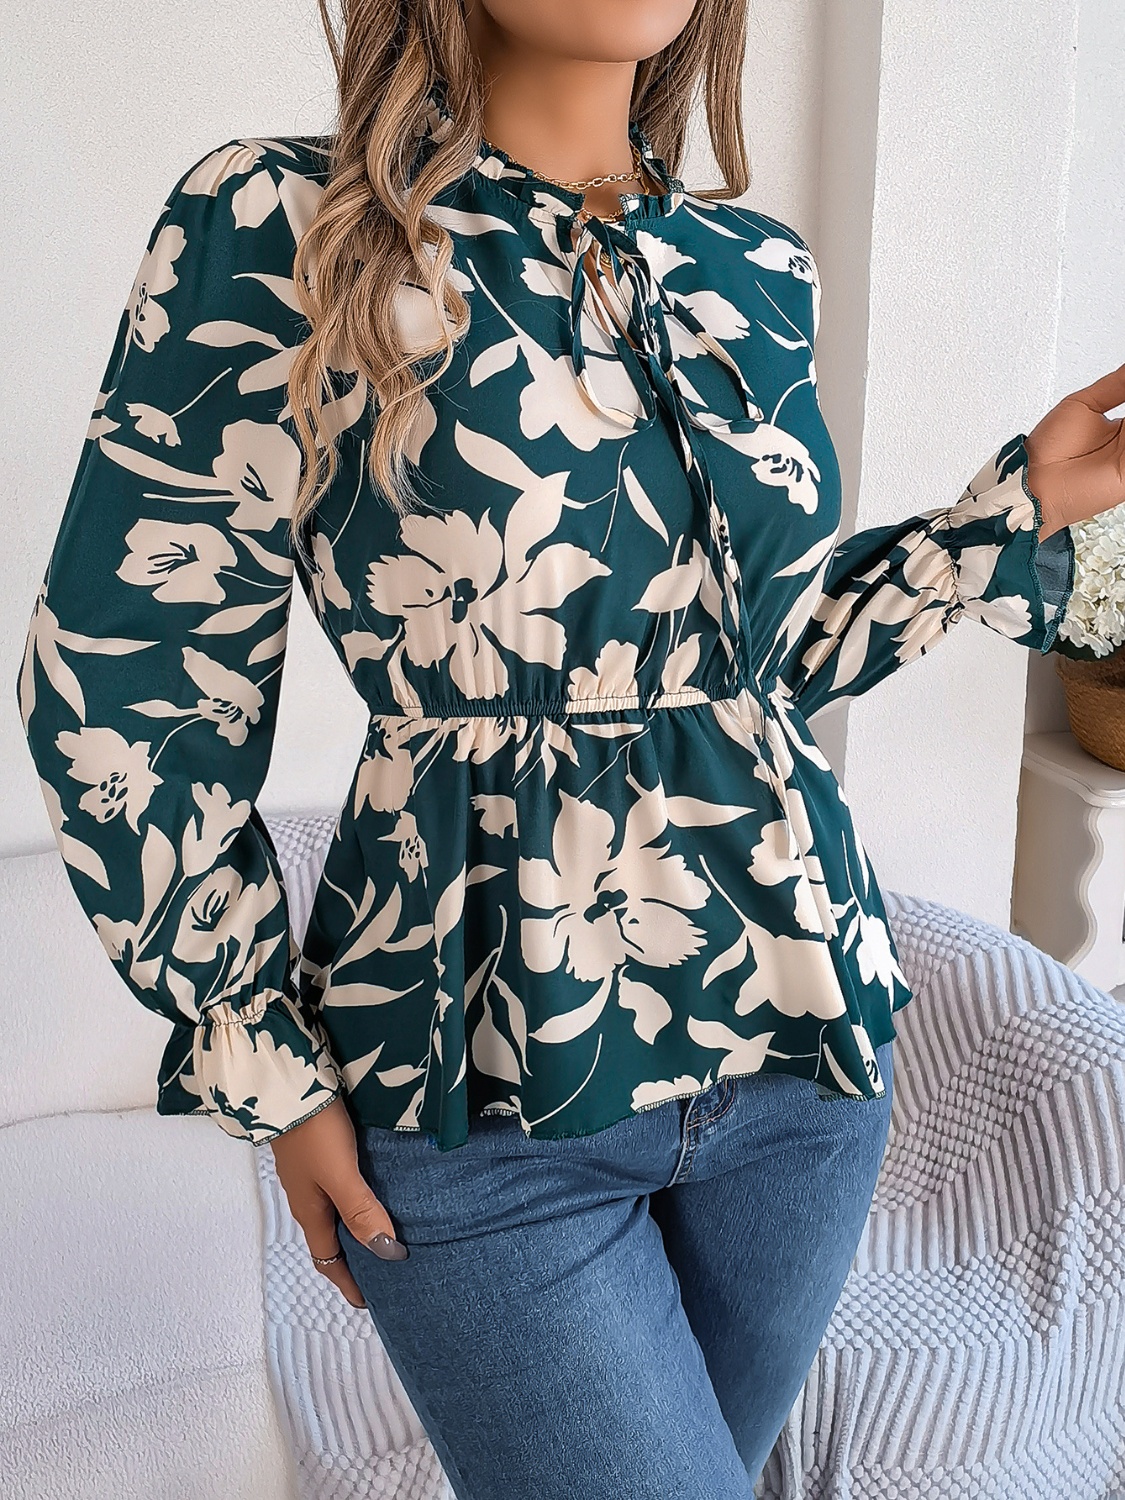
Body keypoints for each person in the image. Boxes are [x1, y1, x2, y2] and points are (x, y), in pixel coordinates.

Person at [15, 1, 1125, 1495]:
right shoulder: (284, 224)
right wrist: (260, 1045)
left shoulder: (755, 269)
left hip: (801, 1059)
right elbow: (128, 677)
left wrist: (1016, 511)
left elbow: (759, 668)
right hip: (478, 1088)